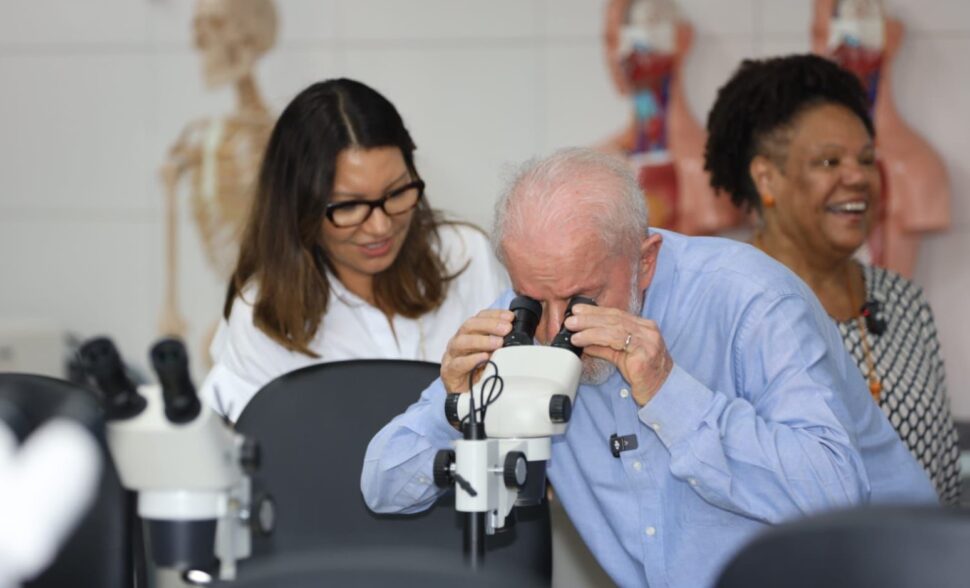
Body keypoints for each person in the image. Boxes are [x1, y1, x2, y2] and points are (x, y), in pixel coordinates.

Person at [361, 147, 936, 588]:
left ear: (645, 259)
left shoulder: (751, 301)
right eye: (536, 298)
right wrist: (455, 406)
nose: (559, 327)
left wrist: (668, 392)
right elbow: (382, 485)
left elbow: (837, 496)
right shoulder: (523, 324)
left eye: (583, 298)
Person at [703, 54, 960, 505]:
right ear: (767, 178)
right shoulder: (724, 307)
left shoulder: (901, 300)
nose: (858, 177)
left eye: (865, 159)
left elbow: (942, 469)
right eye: (829, 162)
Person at [199, 79, 508, 421]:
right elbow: (240, 456)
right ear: (299, 205)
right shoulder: (263, 314)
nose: (380, 227)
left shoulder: (466, 256)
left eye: (396, 193)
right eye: (348, 207)